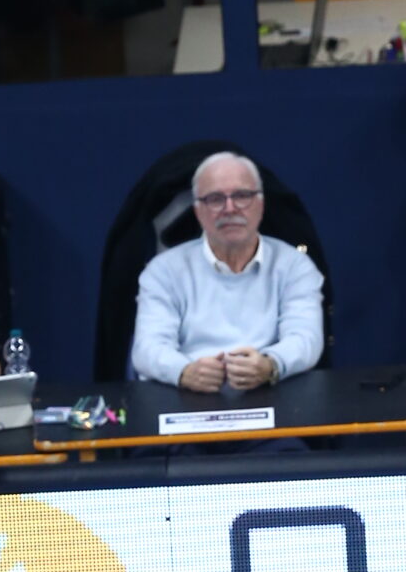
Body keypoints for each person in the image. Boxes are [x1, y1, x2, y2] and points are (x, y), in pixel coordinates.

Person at [129, 151, 324, 393]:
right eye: (215, 199)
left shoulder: (295, 266)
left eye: (242, 196)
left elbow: (306, 339)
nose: (230, 209)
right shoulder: (163, 271)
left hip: (273, 396)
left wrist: (270, 364)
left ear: (261, 204)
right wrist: (184, 371)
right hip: (187, 399)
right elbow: (147, 348)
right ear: (198, 210)